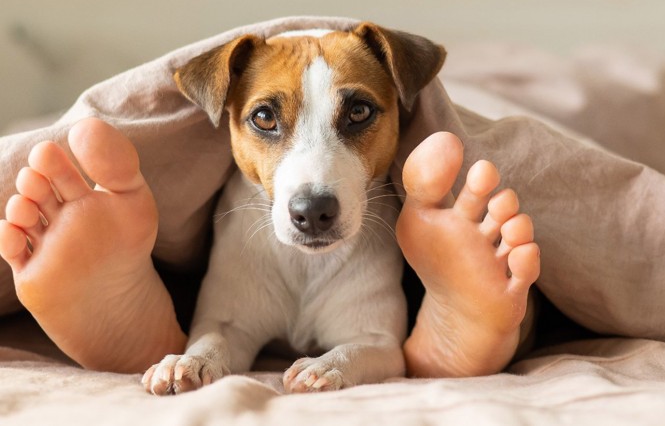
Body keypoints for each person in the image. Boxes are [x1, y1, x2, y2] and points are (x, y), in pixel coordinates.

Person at [0, 118, 539, 378]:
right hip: (245, 241)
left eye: (356, 116)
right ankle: (175, 340)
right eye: (266, 120)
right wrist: (208, 356)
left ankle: (449, 326)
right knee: (219, 336)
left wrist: (345, 364)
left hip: (371, 246)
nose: (313, 196)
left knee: (388, 335)